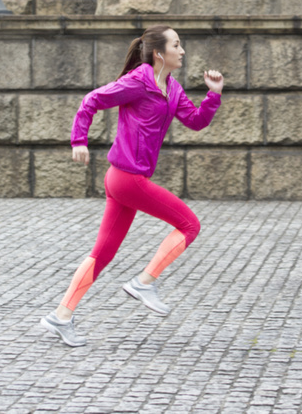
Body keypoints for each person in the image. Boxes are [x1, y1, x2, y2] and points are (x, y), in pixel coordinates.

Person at [40, 25, 224, 347]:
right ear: (159, 53)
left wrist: (214, 94)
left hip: (124, 180)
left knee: (102, 254)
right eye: (176, 45)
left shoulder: (172, 88)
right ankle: (143, 283)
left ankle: (61, 315)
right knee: (189, 225)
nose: (182, 51)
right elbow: (92, 100)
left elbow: (195, 121)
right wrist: (78, 140)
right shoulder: (138, 81)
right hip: (127, 179)